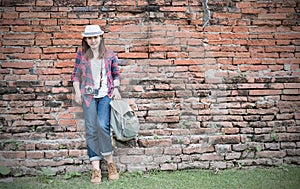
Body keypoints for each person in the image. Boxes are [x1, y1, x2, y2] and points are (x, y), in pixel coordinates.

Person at [71, 25, 121, 184]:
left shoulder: (110, 54)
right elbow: (75, 75)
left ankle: (110, 163)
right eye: (89, 38)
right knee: (91, 129)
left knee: (102, 125)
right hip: (88, 97)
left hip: (105, 95)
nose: (93, 40)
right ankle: (96, 169)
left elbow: (115, 74)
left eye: (95, 37)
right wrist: (77, 92)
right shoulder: (81, 55)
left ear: (101, 38)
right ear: (86, 39)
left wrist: (117, 88)